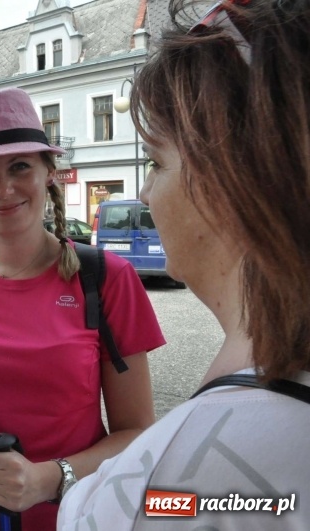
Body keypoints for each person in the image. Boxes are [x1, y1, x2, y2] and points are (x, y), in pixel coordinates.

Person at [58, 1, 310, 528]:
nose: (146, 192)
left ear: (231, 176)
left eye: (156, 161)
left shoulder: (193, 472)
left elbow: (169, 503)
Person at [0, 87, 164, 530]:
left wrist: (50, 478)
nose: (3, 189)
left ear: (48, 173)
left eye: (19, 166)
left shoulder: (107, 279)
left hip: (67, 516)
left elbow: (136, 432)